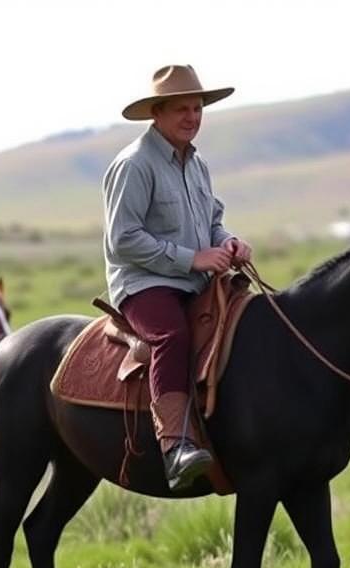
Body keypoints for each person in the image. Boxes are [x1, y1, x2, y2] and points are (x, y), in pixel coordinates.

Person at [102, 64, 253, 491]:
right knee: (171, 336)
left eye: (197, 107)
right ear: (157, 113)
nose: (192, 116)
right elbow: (123, 240)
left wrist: (228, 244)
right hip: (144, 284)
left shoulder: (198, 164)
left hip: (195, 278)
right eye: (181, 109)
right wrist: (193, 259)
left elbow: (213, 222)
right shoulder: (134, 165)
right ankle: (176, 447)